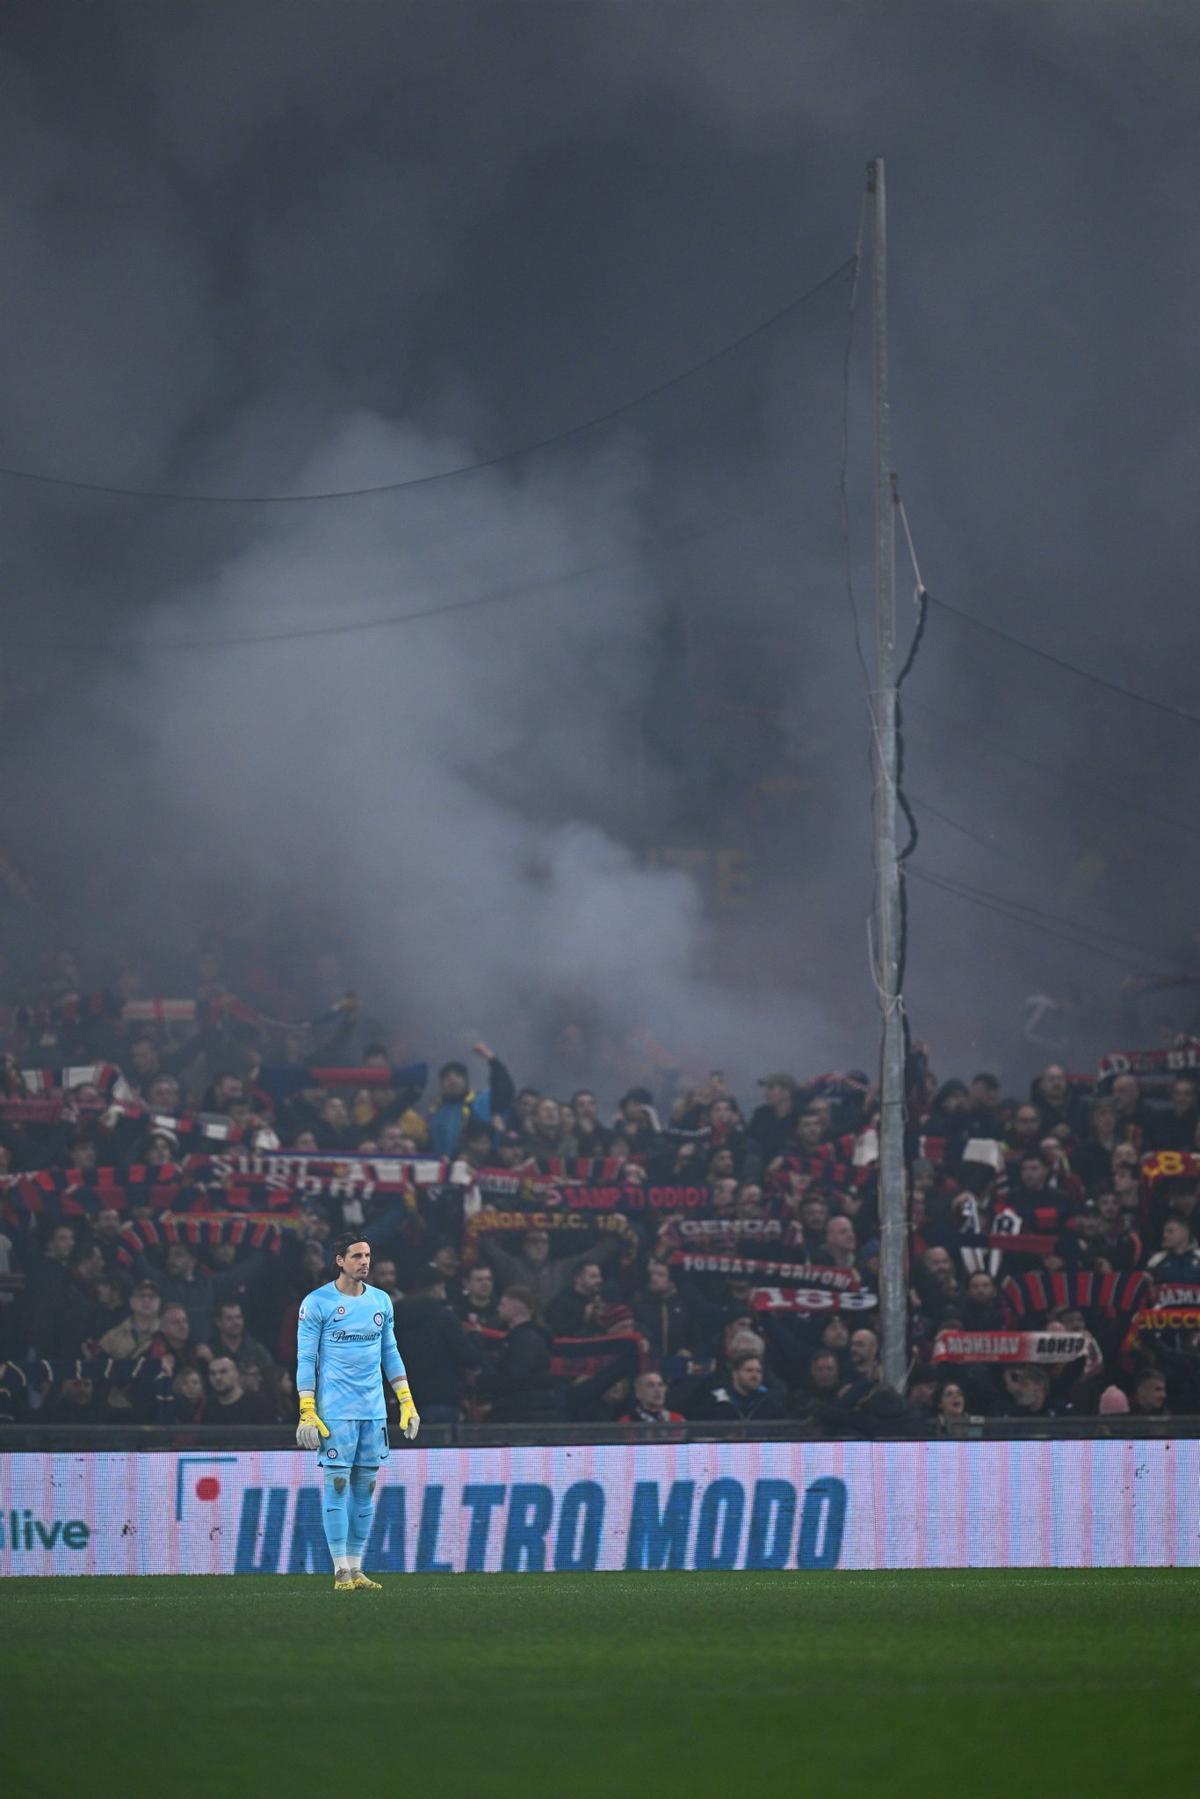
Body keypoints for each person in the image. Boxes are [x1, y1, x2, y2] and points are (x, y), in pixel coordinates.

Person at [295, 1234, 421, 1593]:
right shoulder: (317, 1303)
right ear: (339, 1260)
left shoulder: (381, 1301)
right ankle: (339, 1570)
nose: (365, 1262)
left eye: (368, 1255)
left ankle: (357, 1567)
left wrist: (406, 1400)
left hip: (373, 1412)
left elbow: (390, 1353)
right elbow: (306, 1358)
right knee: (337, 1485)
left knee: (365, 1488)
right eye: (357, 1256)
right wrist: (307, 1408)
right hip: (335, 1412)